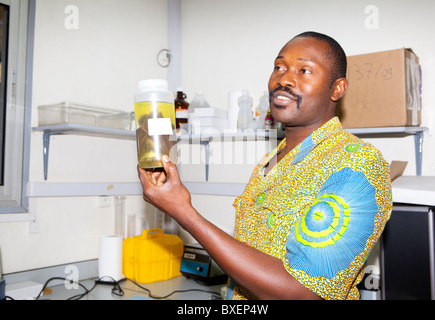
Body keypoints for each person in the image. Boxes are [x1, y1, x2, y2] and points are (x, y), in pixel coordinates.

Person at [137, 31, 392, 300]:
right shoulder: (270, 161)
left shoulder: (357, 164)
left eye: (304, 70)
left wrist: (184, 213)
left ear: (337, 88)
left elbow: (303, 293)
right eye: (279, 68)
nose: (283, 79)